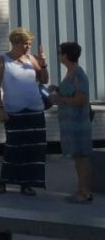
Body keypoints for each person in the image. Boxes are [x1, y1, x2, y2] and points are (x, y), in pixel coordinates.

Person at [0, 27, 50, 195]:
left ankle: (27, 183)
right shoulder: (2, 60)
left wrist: (43, 63)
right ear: (15, 42)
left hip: (35, 110)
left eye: (29, 44)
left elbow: (44, 79)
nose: (28, 47)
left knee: (33, 148)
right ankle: (3, 182)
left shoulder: (31, 59)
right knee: (14, 147)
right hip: (14, 111)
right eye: (25, 44)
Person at [49, 41, 93, 203]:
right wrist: (57, 89)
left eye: (60, 52)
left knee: (81, 158)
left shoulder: (78, 74)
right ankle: (80, 190)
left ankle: (85, 191)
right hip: (69, 123)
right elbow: (70, 93)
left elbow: (80, 98)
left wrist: (60, 98)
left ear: (66, 55)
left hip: (78, 124)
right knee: (77, 157)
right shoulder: (70, 73)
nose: (59, 56)